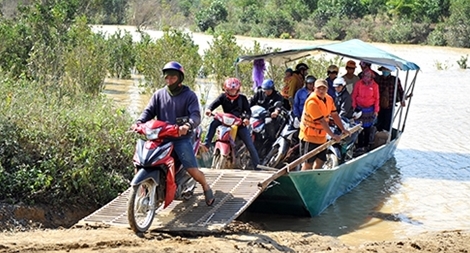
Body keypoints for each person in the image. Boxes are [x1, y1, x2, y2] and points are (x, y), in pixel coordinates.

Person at [134, 61, 214, 206]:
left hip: (180, 138)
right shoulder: (159, 94)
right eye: (167, 77)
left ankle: (205, 186)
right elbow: (148, 111)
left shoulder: (189, 95)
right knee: (143, 160)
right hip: (160, 137)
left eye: (173, 77)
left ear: (179, 78)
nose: (169, 80)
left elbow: (196, 115)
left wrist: (187, 125)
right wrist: (139, 122)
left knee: (191, 169)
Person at [203, 77, 260, 170]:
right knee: (213, 124)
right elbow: (213, 104)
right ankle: (206, 144)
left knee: (249, 144)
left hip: (238, 123)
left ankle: (257, 166)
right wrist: (209, 110)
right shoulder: (222, 97)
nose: (232, 92)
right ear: (226, 89)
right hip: (225, 120)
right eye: (230, 90)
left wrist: (246, 118)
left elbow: (248, 111)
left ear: (238, 89)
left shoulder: (243, 98)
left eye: (234, 90)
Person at [299, 79, 350, 170]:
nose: (321, 91)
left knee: (320, 161)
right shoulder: (312, 102)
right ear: (314, 88)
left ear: (327, 89)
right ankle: (304, 180)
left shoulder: (329, 99)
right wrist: (333, 135)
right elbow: (322, 121)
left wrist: (343, 129)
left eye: (324, 89)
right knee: (308, 164)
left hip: (322, 137)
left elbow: (334, 115)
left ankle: (314, 178)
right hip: (309, 137)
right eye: (319, 88)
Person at [351, 69, 380, 153]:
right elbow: (354, 95)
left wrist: (376, 110)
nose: (366, 77)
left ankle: (366, 146)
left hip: (369, 109)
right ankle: (359, 146)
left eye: (368, 76)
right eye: (365, 76)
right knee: (359, 128)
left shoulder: (375, 86)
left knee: (367, 128)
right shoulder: (358, 84)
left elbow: (377, 98)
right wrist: (354, 106)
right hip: (359, 109)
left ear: (371, 77)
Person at [375, 66, 406, 132]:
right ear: (382, 70)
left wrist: (402, 100)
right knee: (378, 123)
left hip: (390, 106)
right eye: (384, 69)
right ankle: (378, 136)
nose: (385, 71)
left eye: (387, 69)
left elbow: (401, 91)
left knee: (388, 124)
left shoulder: (395, 79)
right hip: (378, 106)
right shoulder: (378, 79)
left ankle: (386, 137)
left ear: (390, 70)